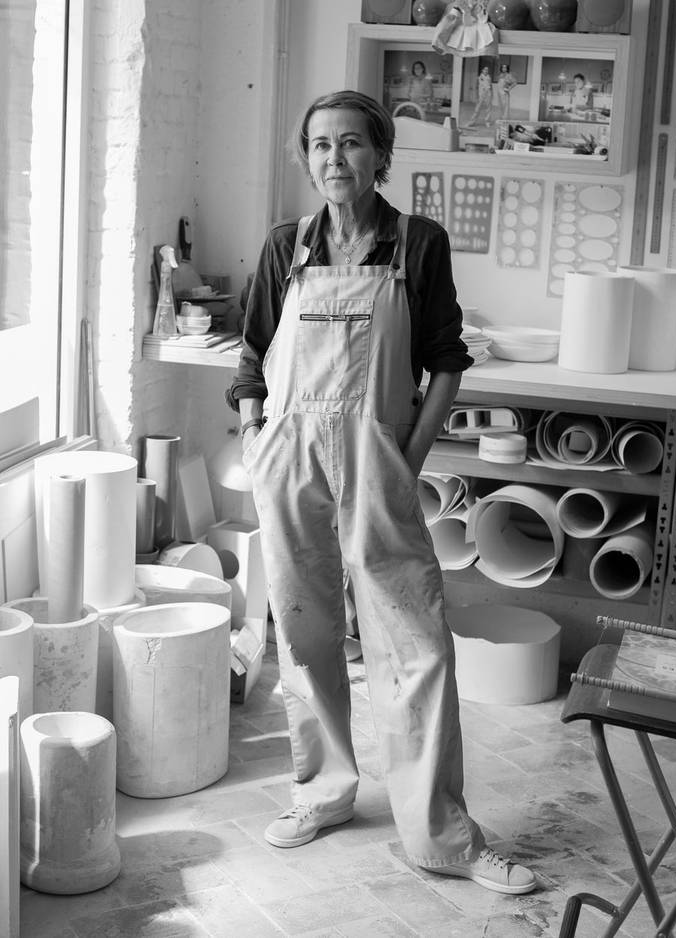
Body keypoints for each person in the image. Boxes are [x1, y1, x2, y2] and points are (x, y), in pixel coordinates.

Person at [225, 89, 536, 896]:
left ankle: (441, 836)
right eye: (321, 145)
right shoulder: (285, 245)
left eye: (352, 143)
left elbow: (446, 360)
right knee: (304, 630)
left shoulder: (418, 243)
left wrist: (409, 455)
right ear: (307, 158)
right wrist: (256, 435)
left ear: (380, 154)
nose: (336, 158)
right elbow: (253, 353)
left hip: (377, 460)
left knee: (415, 642)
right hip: (289, 456)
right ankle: (324, 791)